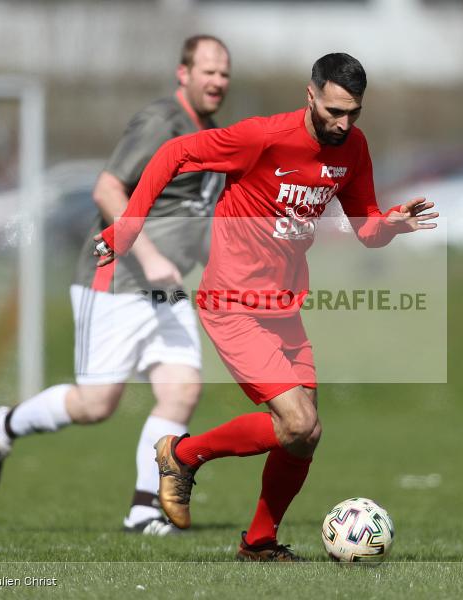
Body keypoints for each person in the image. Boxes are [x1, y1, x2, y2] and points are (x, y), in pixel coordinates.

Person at [94, 52, 438, 560]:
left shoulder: (354, 148)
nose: (343, 124)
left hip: (284, 306)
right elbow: (173, 154)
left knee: (305, 436)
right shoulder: (263, 136)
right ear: (311, 95)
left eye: (354, 113)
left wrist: (390, 224)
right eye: (334, 111)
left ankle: (258, 543)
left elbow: (367, 230)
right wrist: (129, 226)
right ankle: (182, 455)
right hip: (232, 300)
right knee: (296, 422)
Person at [0, 35, 231, 536]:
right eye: (208, 71)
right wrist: (153, 256)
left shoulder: (214, 134)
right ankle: (3, 424)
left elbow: (194, 216)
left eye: (224, 73)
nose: (218, 81)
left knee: (181, 390)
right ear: (183, 73)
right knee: (96, 405)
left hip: (165, 288)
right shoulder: (162, 121)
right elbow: (108, 189)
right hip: (116, 278)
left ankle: (143, 510)